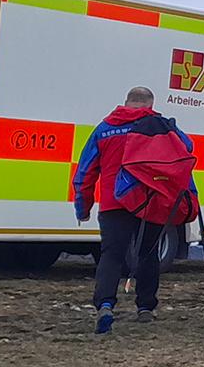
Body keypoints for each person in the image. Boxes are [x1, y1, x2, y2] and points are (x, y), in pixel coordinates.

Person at [70, 86, 193, 334]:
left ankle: (105, 304)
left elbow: (85, 170)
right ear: (150, 104)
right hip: (150, 202)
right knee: (148, 254)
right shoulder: (160, 126)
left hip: (114, 203)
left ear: (126, 102)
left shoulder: (104, 129)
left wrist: (83, 206)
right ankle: (145, 307)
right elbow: (186, 147)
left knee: (112, 255)